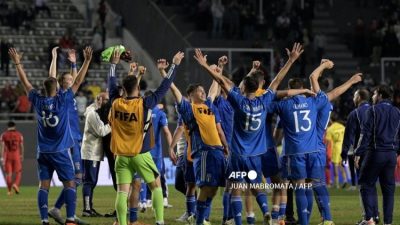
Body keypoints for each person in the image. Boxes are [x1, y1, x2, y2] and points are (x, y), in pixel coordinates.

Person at [193, 45, 312, 225]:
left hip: (237, 155)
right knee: (258, 187)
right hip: (255, 156)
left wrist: (205, 65)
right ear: (259, 86)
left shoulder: (238, 102)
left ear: (244, 87)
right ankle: (266, 211)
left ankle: (239, 221)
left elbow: (223, 82)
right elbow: (278, 81)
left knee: (235, 188)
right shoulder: (265, 100)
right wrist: (291, 61)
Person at [8, 46, 88, 225]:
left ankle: (44, 220)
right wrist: (87, 61)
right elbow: (77, 82)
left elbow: (25, 82)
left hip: (43, 151)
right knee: (70, 183)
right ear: (57, 87)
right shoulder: (63, 99)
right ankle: (70, 219)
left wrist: (17, 63)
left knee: (43, 186)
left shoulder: (37, 100)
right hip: (60, 150)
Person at [108, 48, 183, 225]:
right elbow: (165, 86)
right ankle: (159, 221)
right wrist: (174, 65)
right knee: (156, 186)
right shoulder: (145, 104)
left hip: (120, 156)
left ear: (123, 89)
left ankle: (123, 223)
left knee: (121, 193)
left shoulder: (115, 102)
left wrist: (113, 64)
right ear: (137, 87)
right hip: (140, 154)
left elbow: (110, 83)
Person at [47, 47, 92, 225]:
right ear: (61, 83)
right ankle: (66, 213)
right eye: (67, 79)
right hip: (67, 141)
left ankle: (58, 208)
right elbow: (53, 77)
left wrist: (74, 62)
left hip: (75, 138)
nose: (71, 80)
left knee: (78, 178)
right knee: (73, 178)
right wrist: (55, 58)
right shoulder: (59, 95)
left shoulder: (70, 94)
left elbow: (76, 78)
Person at [355, 85, 400, 225]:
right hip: (391, 155)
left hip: (375, 153)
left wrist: (358, 153)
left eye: (374, 94)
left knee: (365, 183)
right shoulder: (397, 112)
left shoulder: (372, 110)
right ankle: (388, 222)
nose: (373, 97)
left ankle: (369, 219)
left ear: (380, 95)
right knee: (388, 190)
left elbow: (365, 134)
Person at [81, 92, 111, 217]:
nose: (108, 102)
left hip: (93, 152)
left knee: (91, 181)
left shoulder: (93, 111)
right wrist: (113, 123)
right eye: (106, 100)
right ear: (99, 99)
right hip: (91, 152)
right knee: (89, 181)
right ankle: (86, 209)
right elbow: (101, 131)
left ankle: (89, 208)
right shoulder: (92, 113)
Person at [0, 121, 24, 195]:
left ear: (8, 127)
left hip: (7, 155)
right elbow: (22, 146)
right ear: (14, 126)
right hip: (16, 155)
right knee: (18, 172)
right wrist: (22, 155)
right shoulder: (19, 135)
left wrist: (1, 157)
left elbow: (2, 146)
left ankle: (9, 191)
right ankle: (16, 184)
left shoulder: (4, 135)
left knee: (8, 174)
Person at [326, 114, 348, 189]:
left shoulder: (330, 129)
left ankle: (337, 183)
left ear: (331, 120)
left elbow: (328, 141)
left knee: (335, 165)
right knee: (341, 164)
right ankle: (345, 179)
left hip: (336, 147)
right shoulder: (342, 126)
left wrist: (326, 151)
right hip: (343, 146)